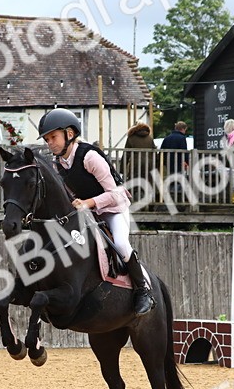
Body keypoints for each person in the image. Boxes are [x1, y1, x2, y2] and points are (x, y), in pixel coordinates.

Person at [39, 107, 154, 315]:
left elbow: (116, 193)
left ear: (70, 134)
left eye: (53, 137)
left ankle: (143, 291)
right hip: (90, 212)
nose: (50, 143)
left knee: (120, 243)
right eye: (47, 139)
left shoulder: (89, 156)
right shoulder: (59, 164)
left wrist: (89, 203)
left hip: (114, 209)